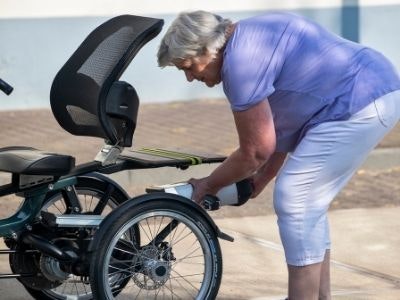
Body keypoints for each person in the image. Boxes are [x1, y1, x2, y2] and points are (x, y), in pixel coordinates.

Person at [157, 10, 400, 300]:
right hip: (367, 88)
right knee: (308, 202)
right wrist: (263, 176)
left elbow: (255, 151)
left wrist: (208, 185)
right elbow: (281, 126)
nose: (189, 77)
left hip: (360, 99)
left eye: (188, 66)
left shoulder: (241, 65)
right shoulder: (248, 39)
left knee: (296, 197)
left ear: (208, 50)